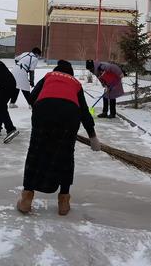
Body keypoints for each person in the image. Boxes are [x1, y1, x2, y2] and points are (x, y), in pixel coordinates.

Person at [17, 60, 101, 216]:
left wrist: (43, 110)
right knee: (65, 155)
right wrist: (92, 136)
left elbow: (32, 97)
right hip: (69, 115)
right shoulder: (75, 83)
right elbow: (83, 111)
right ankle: (63, 201)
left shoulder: (49, 76)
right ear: (71, 73)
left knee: (35, 153)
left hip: (43, 111)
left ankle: (26, 199)